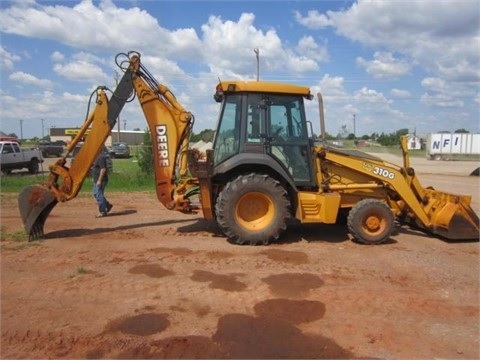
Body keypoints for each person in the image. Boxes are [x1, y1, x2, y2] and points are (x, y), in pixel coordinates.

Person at [92, 147, 113, 218]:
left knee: (98, 195)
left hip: (101, 180)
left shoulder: (101, 157)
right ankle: (107, 205)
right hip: (97, 180)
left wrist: (99, 180)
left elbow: (103, 169)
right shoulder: (97, 157)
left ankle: (102, 211)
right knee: (96, 194)